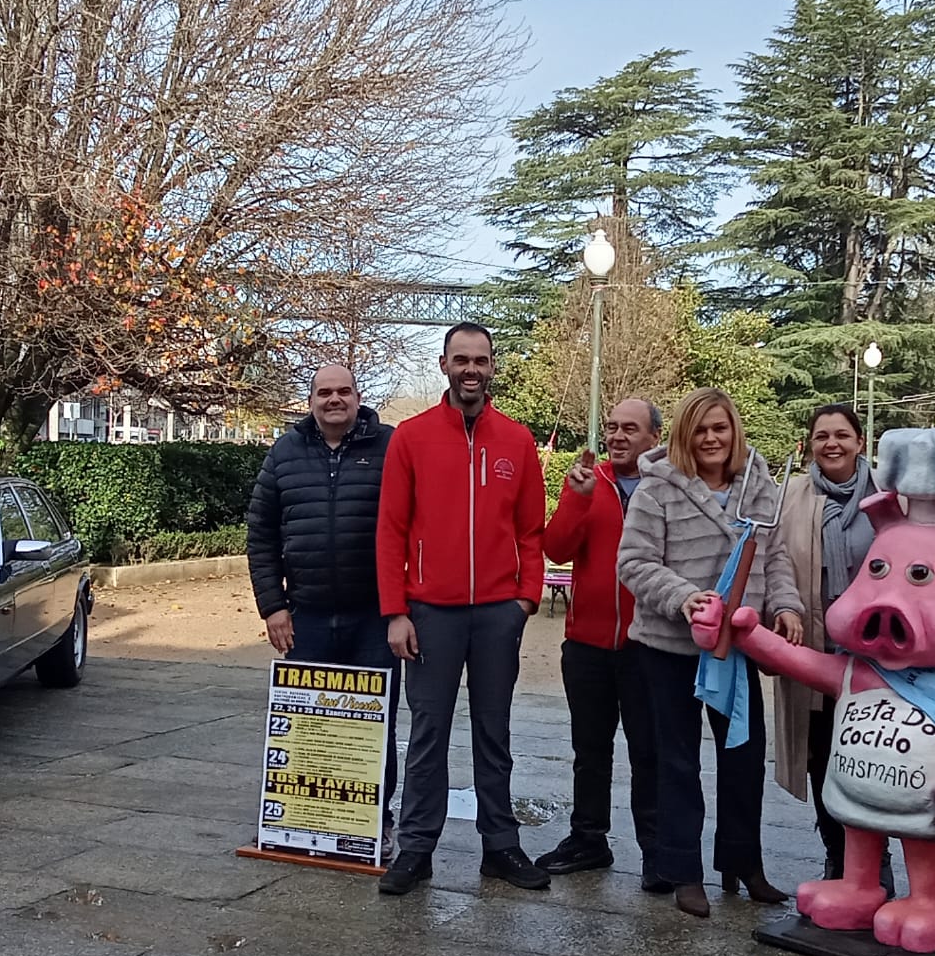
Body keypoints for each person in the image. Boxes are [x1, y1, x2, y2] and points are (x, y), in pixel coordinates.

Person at [617, 387, 804, 918]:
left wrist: (786, 606)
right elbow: (633, 562)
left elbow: (776, 556)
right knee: (676, 761)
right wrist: (684, 598)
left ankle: (744, 862)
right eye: (700, 429)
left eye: (719, 427)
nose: (711, 438)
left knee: (744, 756)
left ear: (734, 431)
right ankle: (683, 870)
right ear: (683, 434)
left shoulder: (760, 487)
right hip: (670, 648)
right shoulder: (657, 489)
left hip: (738, 648)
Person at [374, 323, 548, 895]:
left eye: (480, 360)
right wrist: (396, 611)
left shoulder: (517, 440)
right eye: (461, 359)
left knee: (494, 731)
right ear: (444, 365)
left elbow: (530, 530)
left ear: (492, 366)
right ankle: (416, 848)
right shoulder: (412, 438)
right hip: (431, 612)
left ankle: (500, 844)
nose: (471, 369)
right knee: (428, 732)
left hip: (498, 612)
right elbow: (391, 530)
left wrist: (525, 598)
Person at [246, 364, 398, 850]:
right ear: (310, 400)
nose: (335, 399)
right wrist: (273, 607)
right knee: (308, 724)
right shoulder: (284, 452)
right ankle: (302, 818)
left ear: (358, 396)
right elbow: (261, 535)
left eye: (344, 391)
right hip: (306, 615)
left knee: (374, 725)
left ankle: (375, 820)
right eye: (325, 392)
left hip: (374, 617)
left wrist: (402, 609)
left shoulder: (391, 447)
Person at [535, 397, 662, 876]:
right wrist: (577, 498)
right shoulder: (590, 481)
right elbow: (557, 549)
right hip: (587, 644)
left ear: (654, 437)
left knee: (649, 751)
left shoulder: (670, 485)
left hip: (650, 646)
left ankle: (656, 850)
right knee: (590, 751)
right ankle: (588, 839)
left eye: (630, 428)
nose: (617, 436)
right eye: (612, 427)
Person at [772, 402, 895, 897]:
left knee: (874, 758)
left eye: (842, 435)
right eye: (822, 436)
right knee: (823, 757)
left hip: (878, 656)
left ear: (860, 442)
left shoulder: (890, 497)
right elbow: (774, 560)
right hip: (815, 650)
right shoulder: (791, 495)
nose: (832, 444)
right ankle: (837, 854)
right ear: (810, 445)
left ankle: (876, 859)